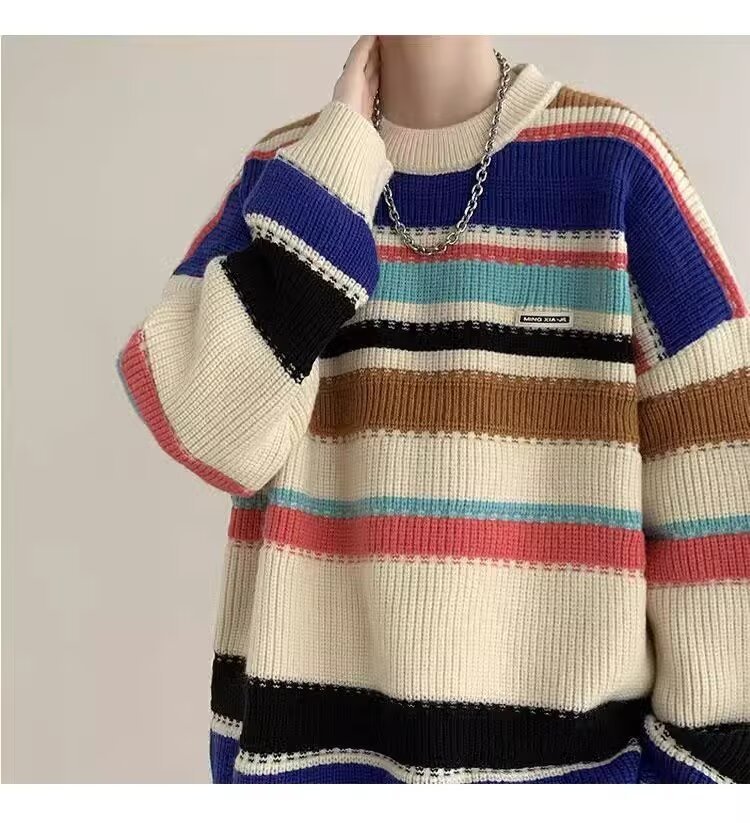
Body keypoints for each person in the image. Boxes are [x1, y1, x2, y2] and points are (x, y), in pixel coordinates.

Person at [116, 35, 750, 783]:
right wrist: (335, 176)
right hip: (309, 767)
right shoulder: (293, 176)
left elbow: (724, 504)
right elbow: (207, 426)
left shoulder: (614, 168)